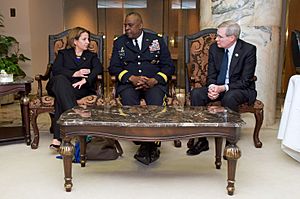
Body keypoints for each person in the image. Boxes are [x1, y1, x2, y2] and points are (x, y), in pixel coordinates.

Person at [109, 12, 175, 165]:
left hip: (153, 84)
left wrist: (155, 80)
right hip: (129, 84)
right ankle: (142, 140)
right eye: (125, 25)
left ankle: (149, 144)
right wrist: (131, 78)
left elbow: (168, 66)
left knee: (155, 104)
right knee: (130, 105)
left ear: (140, 25)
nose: (126, 28)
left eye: (130, 25)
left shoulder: (156, 40)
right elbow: (113, 67)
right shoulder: (119, 42)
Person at [187, 20, 257, 155]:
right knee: (196, 94)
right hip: (219, 87)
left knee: (230, 97)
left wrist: (223, 88)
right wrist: (212, 87)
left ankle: (230, 142)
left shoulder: (248, 50)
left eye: (220, 36)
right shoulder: (215, 48)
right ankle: (202, 140)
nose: (216, 39)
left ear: (232, 38)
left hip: (240, 89)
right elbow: (211, 73)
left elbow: (246, 80)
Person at [46, 27, 103, 150]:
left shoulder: (91, 56)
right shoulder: (63, 54)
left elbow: (98, 69)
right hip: (59, 85)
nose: (88, 42)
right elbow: (56, 70)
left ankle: (57, 138)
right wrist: (74, 74)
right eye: (84, 39)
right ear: (75, 41)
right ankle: (78, 125)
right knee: (61, 80)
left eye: (88, 39)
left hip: (79, 89)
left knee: (60, 98)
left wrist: (86, 80)